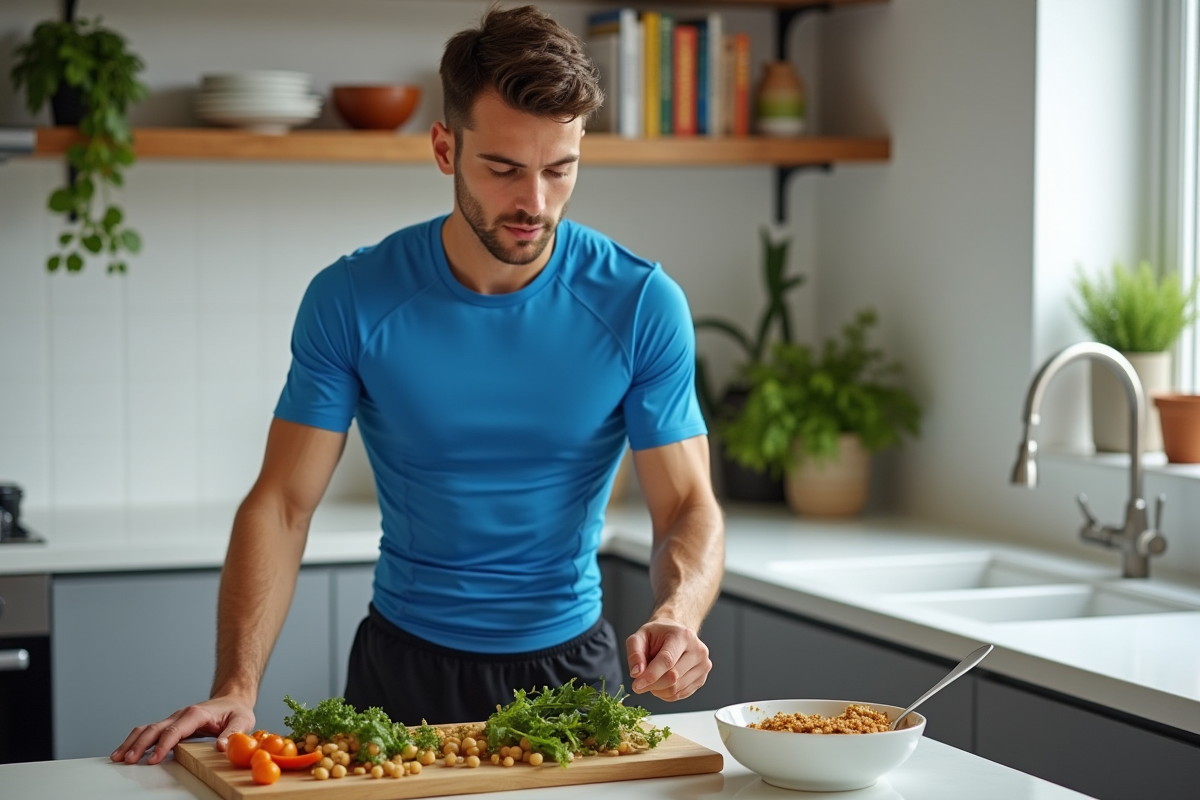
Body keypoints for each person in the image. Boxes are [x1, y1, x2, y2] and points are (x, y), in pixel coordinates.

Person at [112, 4, 724, 766]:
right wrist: (236, 685)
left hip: (571, 675)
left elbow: (687, 505)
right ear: (444, 148)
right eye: (503, 168)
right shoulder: (352, 297)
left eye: (559, 169)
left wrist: (678, 612)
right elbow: (282, 504)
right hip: (401, 675)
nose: (534, 202)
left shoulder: (639, 303)